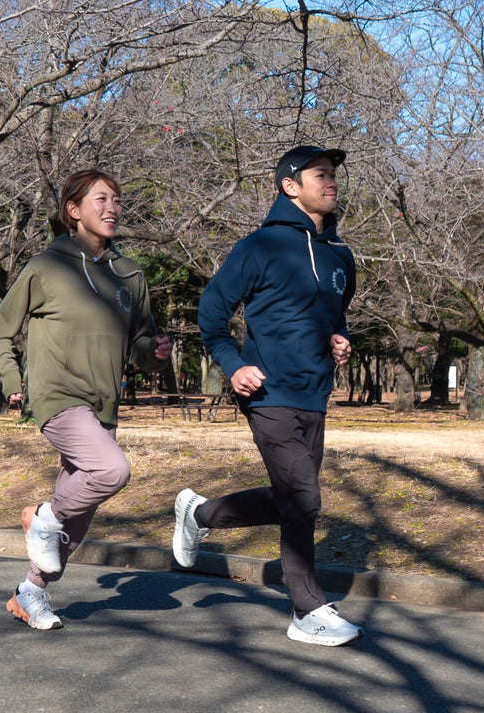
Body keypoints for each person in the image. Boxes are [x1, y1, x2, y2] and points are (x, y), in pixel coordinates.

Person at [173, 145, 363, 647]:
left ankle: (198, 515)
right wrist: (235, 368)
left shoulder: (341, 256)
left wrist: (338, 339)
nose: (331, 182)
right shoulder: (257, 247)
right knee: (305, 496)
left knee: (290, 501)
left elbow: (330, 316)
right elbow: (211, 317)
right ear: (289, 185)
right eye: (319, 174)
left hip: (313, 394)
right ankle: (307, 608)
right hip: (267, 392)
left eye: (333, 176)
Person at [0, 168, 172, 630]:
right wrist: (12, 378)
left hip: (104, 400)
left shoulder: (131, 275)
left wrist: (157, 353)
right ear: (73, 211)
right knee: (111, 470)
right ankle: (42, 516)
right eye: (100, 199)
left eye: (117, 200)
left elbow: (140, 347)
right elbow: (1, 334)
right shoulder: (46, 267)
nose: (112, 207)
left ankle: (30, 593)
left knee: (82, 513)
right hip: (56, 394)